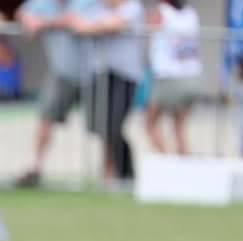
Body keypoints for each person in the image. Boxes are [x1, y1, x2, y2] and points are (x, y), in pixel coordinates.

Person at [13, 0, 98, 188]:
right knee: (45, 117)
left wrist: (46, 23)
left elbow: (79, 23)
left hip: (94, 72)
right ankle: (35, 166)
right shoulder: (42, 3)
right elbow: (23, 15)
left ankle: (111, 175)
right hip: (61, 72)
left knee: (104, 126)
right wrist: (32, 20)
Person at [65, 0, 143, 183]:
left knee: (114, 126)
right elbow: (74, 22)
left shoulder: (132, 7)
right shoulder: (96, 9)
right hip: (101, 73)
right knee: (99, 125)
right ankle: (110, 171)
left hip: (126, 75)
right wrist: (91, 26)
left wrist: (91, 27)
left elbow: (110, 26)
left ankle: (126, 174)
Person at [145, 0, 202, 155]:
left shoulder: (162, 11)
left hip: (169, 78)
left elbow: (147, 24)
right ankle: (184, 167)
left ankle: (167, 160)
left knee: (150, 123)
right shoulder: (191, 13)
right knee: (179, 130)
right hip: (192, 78)